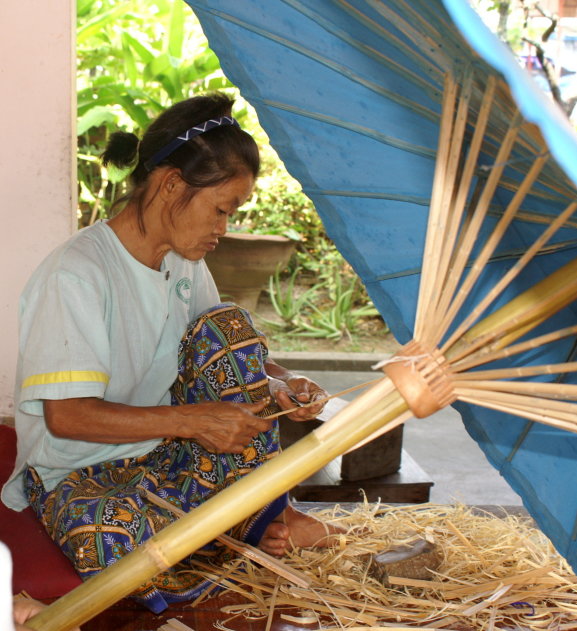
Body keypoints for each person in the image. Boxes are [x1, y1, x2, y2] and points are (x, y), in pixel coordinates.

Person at [1, 93, 341, 614]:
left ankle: (270, 513)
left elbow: (225, 357)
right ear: (170, 185)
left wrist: (282, 385)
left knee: (227, 325)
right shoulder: (77, 274)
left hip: (162, 458)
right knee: (117, 541)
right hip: (79, 475)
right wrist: (192, 421)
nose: (223, 229)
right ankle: (251, 524)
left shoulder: (183, 264)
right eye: (221, 210)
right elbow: (66, 416)